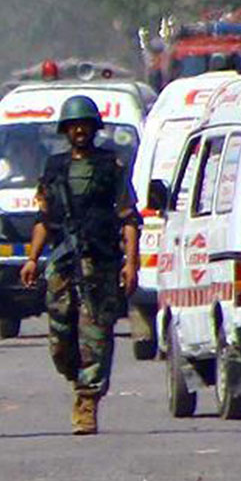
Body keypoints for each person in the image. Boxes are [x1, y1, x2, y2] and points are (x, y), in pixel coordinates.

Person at [19, 96, 140, 435]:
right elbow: (44, 218)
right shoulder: (54, 168)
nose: (80, 130)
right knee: (60, 340)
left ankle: (87, 400)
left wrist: (131, 263)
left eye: (85, 124)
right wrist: (32, 258)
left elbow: (128, 218)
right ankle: (78, 378)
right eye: (74, 125)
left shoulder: (109, 167)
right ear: (65, 130)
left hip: (99, 263)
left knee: (96, 334)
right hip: (62, 263)